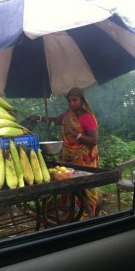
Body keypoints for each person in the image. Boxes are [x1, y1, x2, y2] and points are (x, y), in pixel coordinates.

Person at [29, 87, 99, 216]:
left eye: (75, 100)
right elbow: (56, 121)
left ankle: (86, 215)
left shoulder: (87, 117)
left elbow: (94, 140)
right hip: (67, 156)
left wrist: (75, 134)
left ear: (81, 100)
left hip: (84, 158)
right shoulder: (68, 114)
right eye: (69, 101)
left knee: (84, 187)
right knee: (69, 186)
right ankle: (70, 212)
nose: (72, 103)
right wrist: (38, 117)